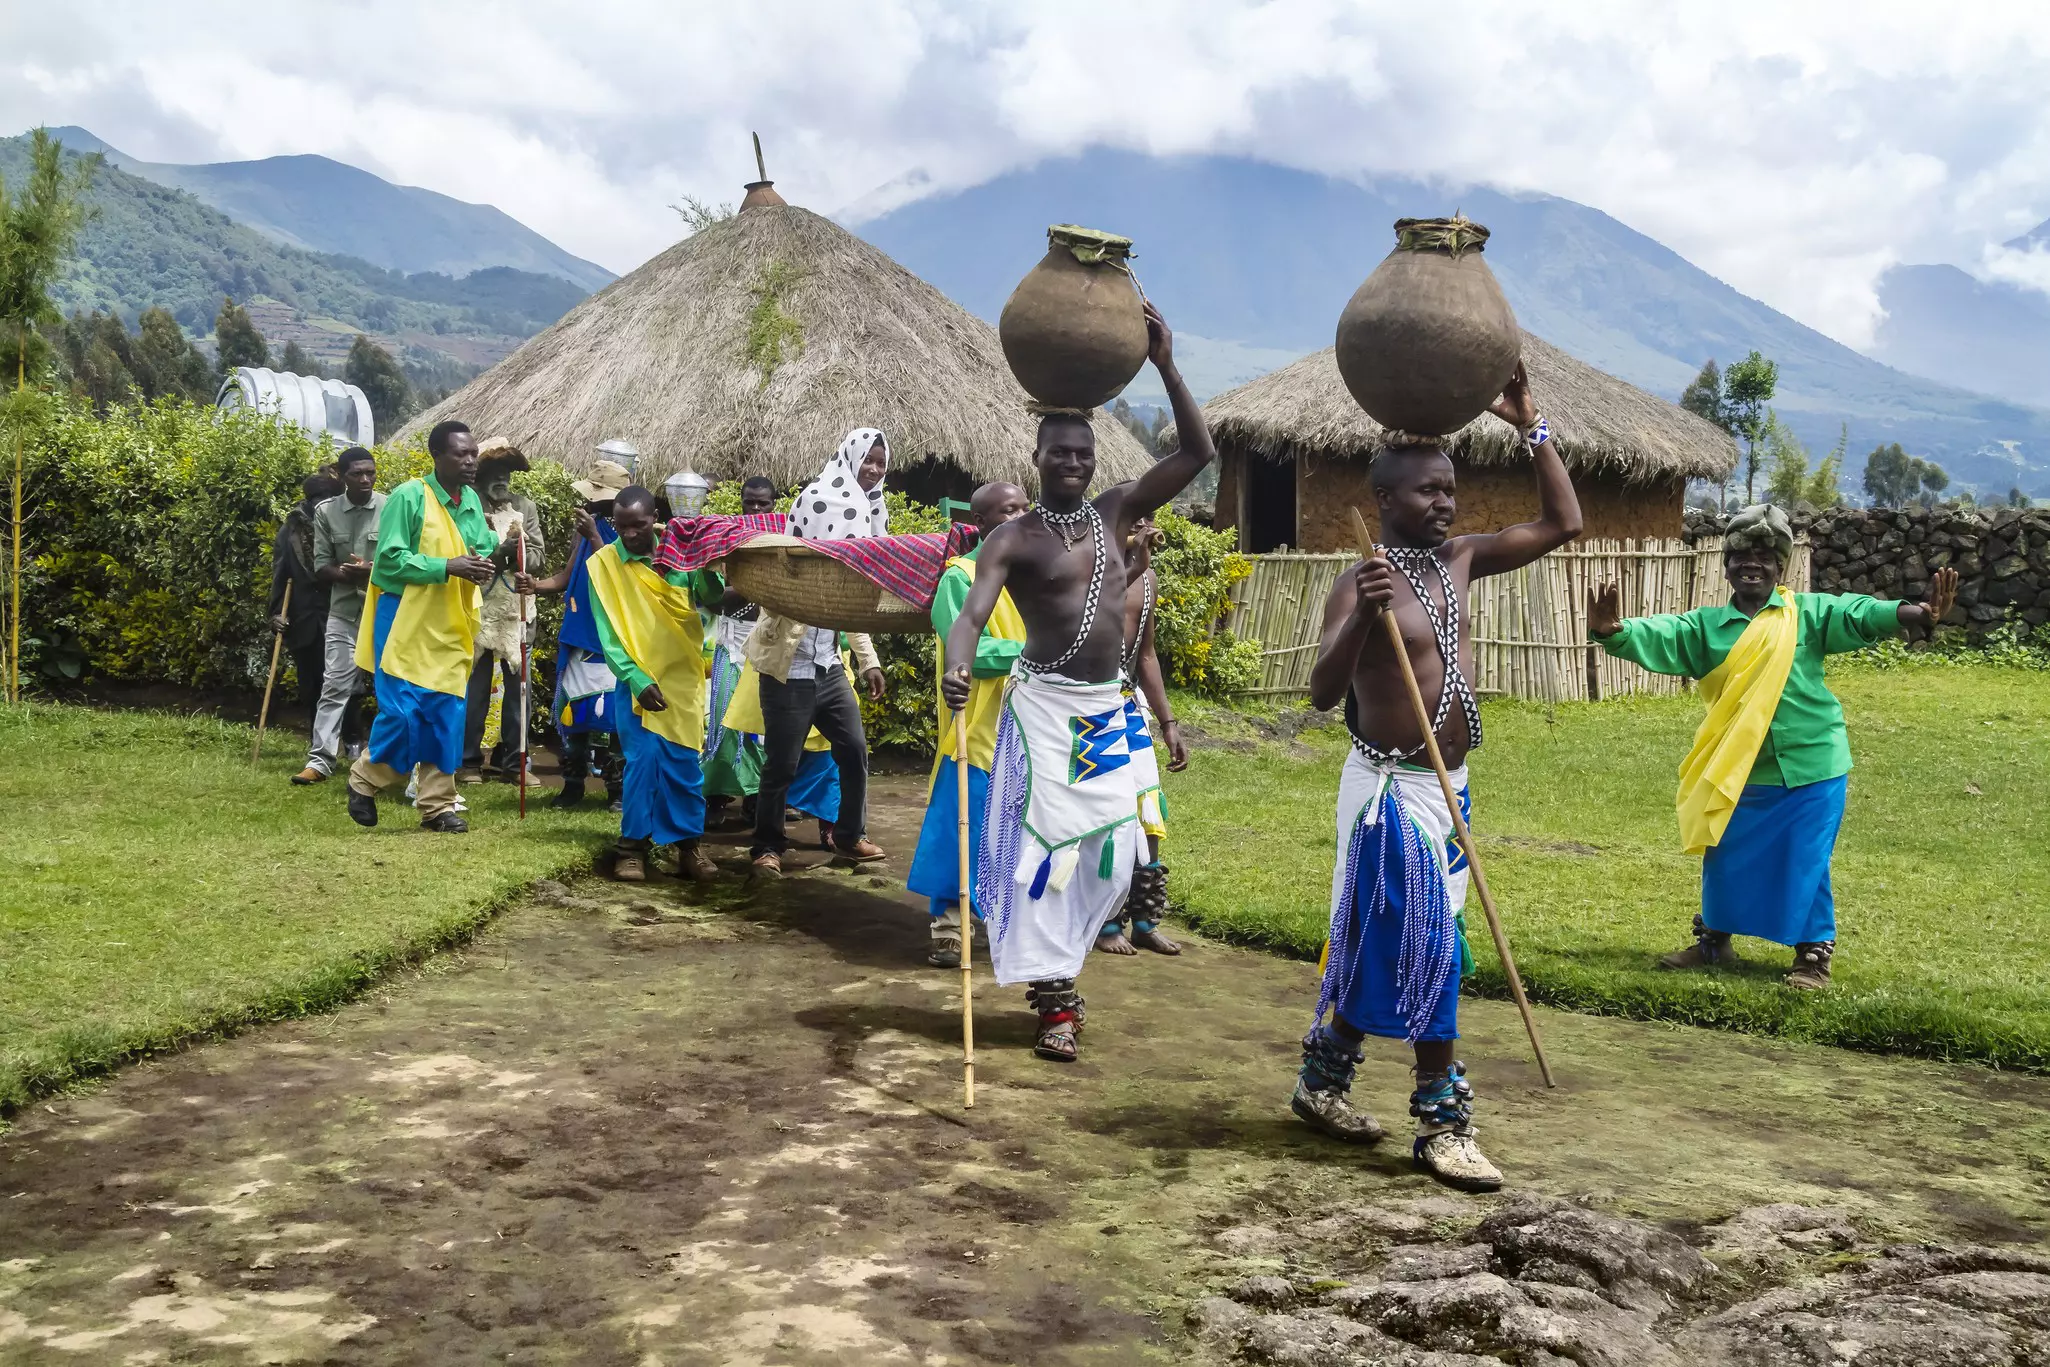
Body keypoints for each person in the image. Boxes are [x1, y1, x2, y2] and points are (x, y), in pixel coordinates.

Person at [1295, 363, 1579, 1193]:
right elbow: (1319, 692)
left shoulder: (1460, 560)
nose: (1446, 504)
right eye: (1427, 493)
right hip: (1390, 791)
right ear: (1384, 502)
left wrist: (1532, 426)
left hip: (1449, 787)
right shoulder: (1359, 578)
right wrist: (1366, 620)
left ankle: (1321, 1081)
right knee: (1432, 951)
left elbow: (1564, 522)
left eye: (1450, 489)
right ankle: (1443, 1123)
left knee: (1382, 942)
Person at [941, 301, 1214, 1064]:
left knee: (1119, 851)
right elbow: (973, 612)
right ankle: (1055, 1004)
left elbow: (1198, 451)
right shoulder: (1012, 537)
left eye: (1082, 454)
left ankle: (1070, 964)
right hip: (1044, 712)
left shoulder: (1117, 511)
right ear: (1037, 457)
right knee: (1043, 860)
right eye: (1059, 453)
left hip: (1106, 711)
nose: (1072, 464)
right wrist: (960, 661)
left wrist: (1165, 363)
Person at [1588, 504, 1959, 990]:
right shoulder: (1705, 627)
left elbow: (1860, 612)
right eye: (1742, 554)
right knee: (1724, 855)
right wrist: (1612, 631)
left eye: (1765, 556)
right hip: (1739, 768)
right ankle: (1713, 943)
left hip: (1813, 764)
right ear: (1726, 565)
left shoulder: (1807, 614)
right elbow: (1663, 633)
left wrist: (1917, 613)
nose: (1753, 564)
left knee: (1806, 859)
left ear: (1781, 567)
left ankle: (1812, 956)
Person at [346, 420, 507, 832]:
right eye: (461, 454)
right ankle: (364, 778)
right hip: (404, 617)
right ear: (437, 456)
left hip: (449, 619)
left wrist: (489, 553)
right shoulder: (409, 496)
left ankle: (437, 806)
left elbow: (478, 547)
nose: (472, 461)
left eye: (473, 453)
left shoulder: (469, 499)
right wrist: (447, 565)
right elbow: (388, 561)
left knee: (444, 713)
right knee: (402, 713)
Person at [745, 429, 890, 876]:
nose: (874, 469)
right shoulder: (817, 498)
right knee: (782, 764)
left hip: (828, 667)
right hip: (789, 665)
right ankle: (767, 846)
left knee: (854, 751)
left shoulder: (871, 511)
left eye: (881, 463)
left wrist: (868, 660)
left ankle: (849, 836)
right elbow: (797, 574)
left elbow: (851, 597)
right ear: (851, 457)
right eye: (868, 459)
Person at [572, 485, 726, 883]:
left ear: (654, 518)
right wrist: (637, 679)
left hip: (682, 679)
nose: (628, 534)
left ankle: (689, 846)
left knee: (683, 765)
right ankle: (632, 847)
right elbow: (609, 635)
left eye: (637, 526)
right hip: (636, 683)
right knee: (641, 764)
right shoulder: (603, 565)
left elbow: (712, 599)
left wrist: (706, 559)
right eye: (620, 526)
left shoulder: (681, 555)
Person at [907, 480, 1029, 968]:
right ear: (980, 523)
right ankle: (948, 926)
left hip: (1029, 723)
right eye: (1005, 512)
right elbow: (966, 648)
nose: (1018, 518)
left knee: (1016, 831)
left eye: (1024, 508)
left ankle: (1004, 921)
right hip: (978, 722)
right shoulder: (960, 576)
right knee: (962, 821)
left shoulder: (1038, 573)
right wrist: (1030, 656)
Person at [1096, 512, 1189, 956]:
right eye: (1132, 517)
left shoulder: (1147, 577)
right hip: (1088, 710)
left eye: (1147, 516)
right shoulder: (1090, 567)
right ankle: (1105, 921)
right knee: (1108, 815)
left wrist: (1168, 723)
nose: (1141, 524)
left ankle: (1146, 919)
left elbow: (1146, 655)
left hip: (1129, 707)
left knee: (1148, 809)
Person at [523, 458, 635, 811]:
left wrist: (596, 536)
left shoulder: (631, 531)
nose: (589, 504)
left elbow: (624, 579)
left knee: (616, 720)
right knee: (574, 716)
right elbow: (568, 574)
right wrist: (536, 585)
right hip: (578, 634)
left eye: (598, 499)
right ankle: (572, 786)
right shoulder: (587, 529)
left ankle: (617, 791)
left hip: (613, 637)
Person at [460, 439, 545, 786]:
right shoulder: (467, 507)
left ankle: (515, 763)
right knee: (474, 689)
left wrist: (520, 550)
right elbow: (464, 553)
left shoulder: (526, 507)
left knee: (518, 691)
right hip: (476, 607)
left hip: (517, 611)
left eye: (506, 474)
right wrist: (498, 551)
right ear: (478, 477)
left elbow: (539, 557)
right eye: (493, 473)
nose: (501, 480)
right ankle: (467, 763)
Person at [297, 448, 383, 784]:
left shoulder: (391, 507)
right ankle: (319, 762)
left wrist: (371, 571)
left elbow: (403, 561)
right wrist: (348, 574)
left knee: (390, 689)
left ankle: (385, 761)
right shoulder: (326, 512)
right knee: (334, 685)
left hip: (384, 611)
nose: (365, 480)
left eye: (370, 473)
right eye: (357, 474)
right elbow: (320, 566)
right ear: (342, 477)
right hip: (344, 612)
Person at [270, 472, 340, 760]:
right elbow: (279, 573)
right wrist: (275, 613)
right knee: (310, 683)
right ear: (308, 501)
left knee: (344, 682)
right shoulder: (291, 529)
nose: (322, 504)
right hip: (303, 617)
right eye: (317, 500)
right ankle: (318, 740)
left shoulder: (342, 522)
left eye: (327, 499)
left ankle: (351, 736)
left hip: (338, 612)